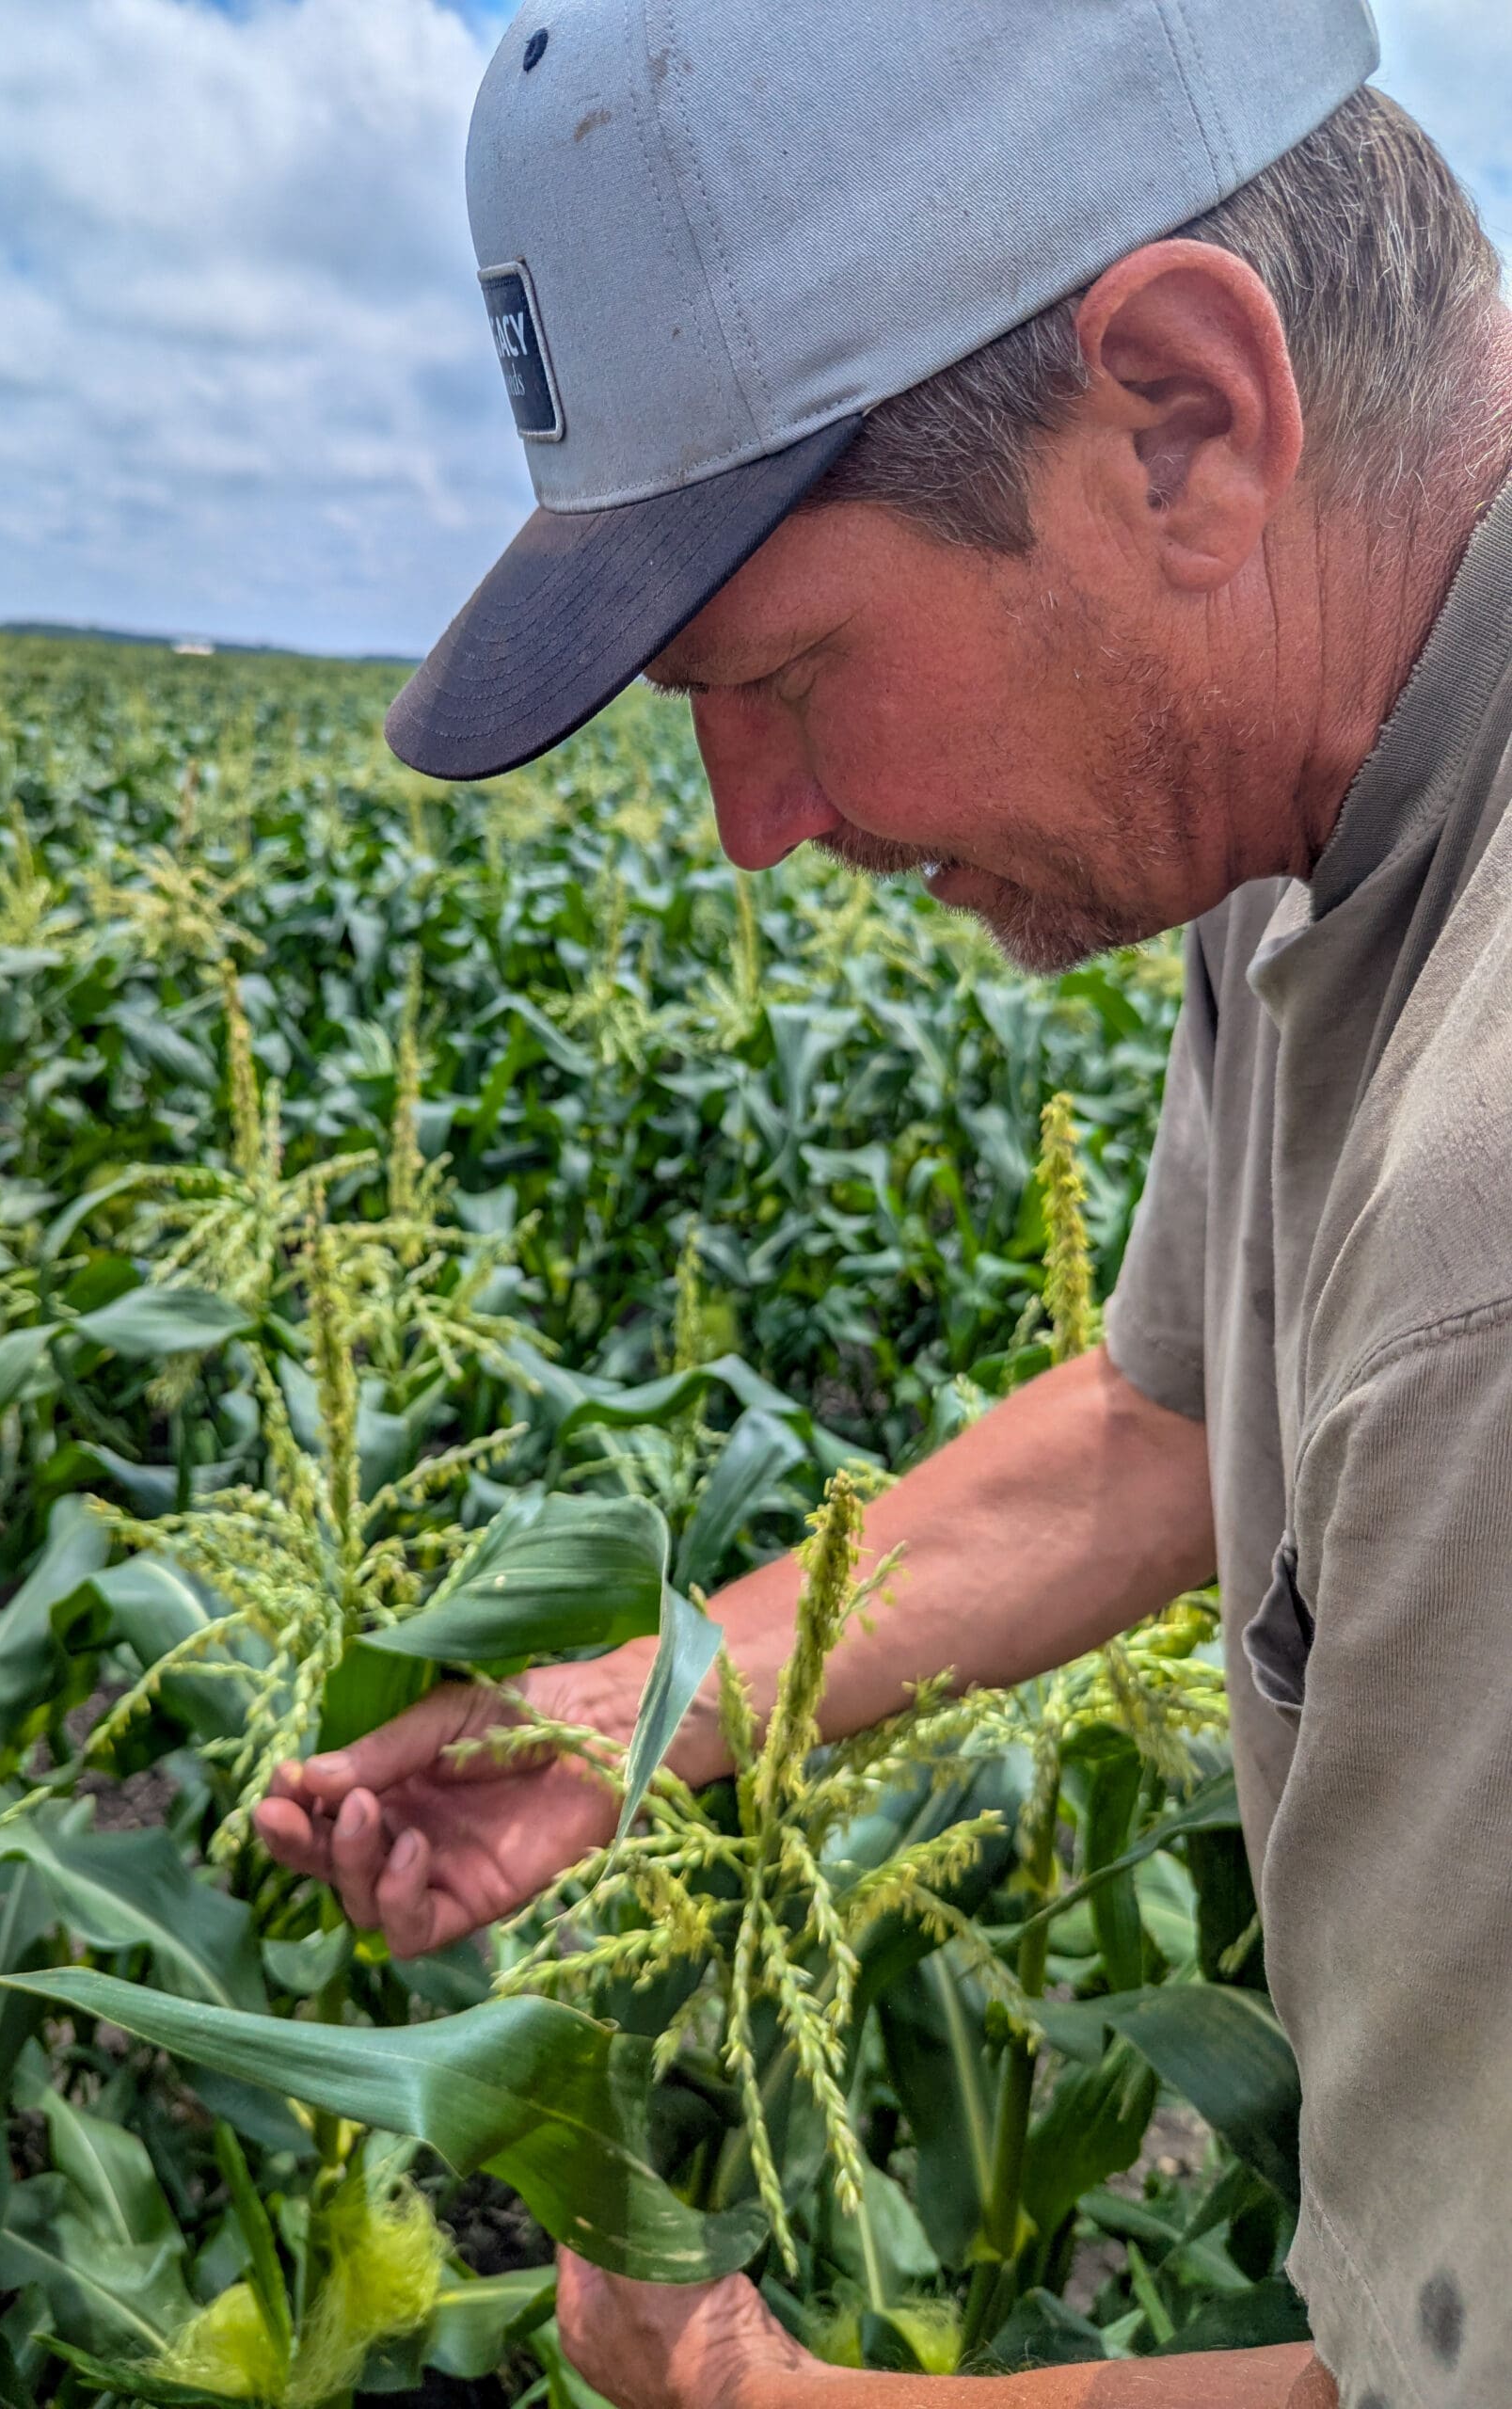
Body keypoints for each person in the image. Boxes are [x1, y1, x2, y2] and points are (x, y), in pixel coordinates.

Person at [258, 3, 1512, 2401]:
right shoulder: (1308, 795)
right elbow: (1165, 1432)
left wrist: (751, 2393)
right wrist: (634, 1711)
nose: (749, 817)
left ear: (1182, 418)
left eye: (787, 668)